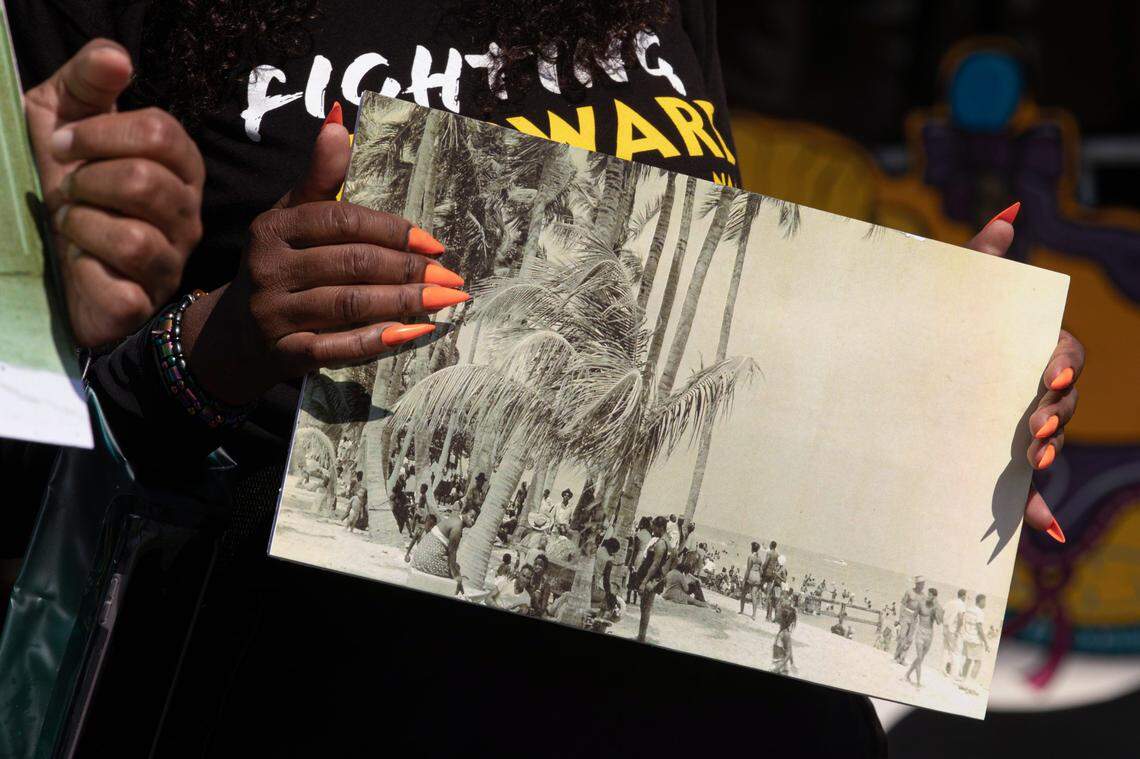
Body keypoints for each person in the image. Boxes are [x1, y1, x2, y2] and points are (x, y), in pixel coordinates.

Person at [4, 2, 1083, 754]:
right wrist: (227, 339)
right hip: (324, 704)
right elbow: (58, 428)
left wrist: (934, 380)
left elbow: (702, 363)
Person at [409, 505, 478, 595]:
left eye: (475, 519)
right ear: (464, 512)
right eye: (471, 516)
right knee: (457, 570)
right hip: (426, 560)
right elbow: (452, 552)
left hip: (419, 556)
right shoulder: (457, 527)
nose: (472, 521)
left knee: (455, 567)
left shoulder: (454, 519)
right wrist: (456, 576)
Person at [636, 516, 670, 643]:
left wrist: (644, 582)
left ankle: (641, 638)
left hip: (650, 580)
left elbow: (655, 564)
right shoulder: (665, 541)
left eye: (654, 527)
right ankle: (641, 636)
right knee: (644, 608)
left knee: (645, 609)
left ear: (661, 527)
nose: (653, 529)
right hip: (653, 579)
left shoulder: (661, 544)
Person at [904, 588, 943, 688]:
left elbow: (939, 622)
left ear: (935, 597)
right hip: (920, 631)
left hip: (929, 635)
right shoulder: (921, 603)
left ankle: (907, 674)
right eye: (928, 595)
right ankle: (918, 682)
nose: (929, 597)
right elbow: (914, 616)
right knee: (920, 657)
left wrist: (935, 611)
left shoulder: (937, 607)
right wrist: (910, 631)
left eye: (931, 596)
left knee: (920, 659)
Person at [958, 594, 991, 683]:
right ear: (980, 601)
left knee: (968, 660)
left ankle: (963, 680)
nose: (985, 604)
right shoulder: (980, 612)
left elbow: (964, 622)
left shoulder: (969, 609)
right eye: (984, 601)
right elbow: (979, 628)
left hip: (967, 637)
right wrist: (986, 643)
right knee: (978, 662)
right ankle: (971, 683)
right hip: (975, 640)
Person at [894, 576, 926, 664]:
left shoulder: (923, 596)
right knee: (902, 636)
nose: (923, 586)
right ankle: (897, 655)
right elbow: (903, 604)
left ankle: (902, 658)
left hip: (914, 618)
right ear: (917, 584)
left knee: (909, 639)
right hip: (906, 615)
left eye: (923, 584)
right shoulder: (909, 592)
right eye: (921, 584)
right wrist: (899, 617)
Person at [942, 589, 968, 676]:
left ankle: (943, 670)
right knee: (956, 652)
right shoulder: (961, 605)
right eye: (966, 596)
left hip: (946, 628)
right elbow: (960, 619)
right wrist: (957, 631)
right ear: (963, 596)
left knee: (946, 649)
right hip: (954, 630)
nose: (966, 598)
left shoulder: (950, 602)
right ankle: (954, 674)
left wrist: (946, 623)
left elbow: (942, 612)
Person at [772, 591, 797, 675]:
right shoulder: (781, 631)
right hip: (777, 665)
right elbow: (789, 650)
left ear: (783, 619)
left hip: (781, 669)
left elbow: (788, 652)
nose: (776, 615)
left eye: (778, 614)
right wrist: (792, 663)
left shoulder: (785, 634)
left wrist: (778, 668)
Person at [593, 537, 620, 611]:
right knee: (607, 598)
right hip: (593, 584)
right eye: (614, 551)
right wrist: (609, 594)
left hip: (590, 576)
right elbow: (606, 579)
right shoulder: (608, 560)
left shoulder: (598, 549)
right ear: (611, 549)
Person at [738, 541, 764, 620]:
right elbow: (761, 570)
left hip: (751, 575)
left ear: (752, 548)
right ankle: (754, 615)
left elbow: (748, 569)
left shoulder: (750, 557)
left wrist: (744, 580)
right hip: (757, 577)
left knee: (743, 593)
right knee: (754, 595)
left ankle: (742, 611)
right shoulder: (759, 558)